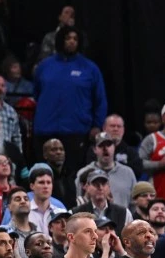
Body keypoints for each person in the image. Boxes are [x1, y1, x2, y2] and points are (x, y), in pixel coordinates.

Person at [32, 26, 108, 175]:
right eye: (68, 38)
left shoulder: (90, 68)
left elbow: (100, 100)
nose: (72, 42)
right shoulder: (45, 66)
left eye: (75, 39)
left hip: (76, 131)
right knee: (43, 175)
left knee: (74, 174)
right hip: (45, 130)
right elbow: (36, 93)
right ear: (60, 41)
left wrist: (97, 125)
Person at [75, 132, 137, 208]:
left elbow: (134, 203)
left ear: (114, 147)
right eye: (101, 146)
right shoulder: (83, 173)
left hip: (123, 218)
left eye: (108, 145)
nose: (105, 149)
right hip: (93, 218)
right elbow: (78, 201)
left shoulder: (128, 173)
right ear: (94, 149)